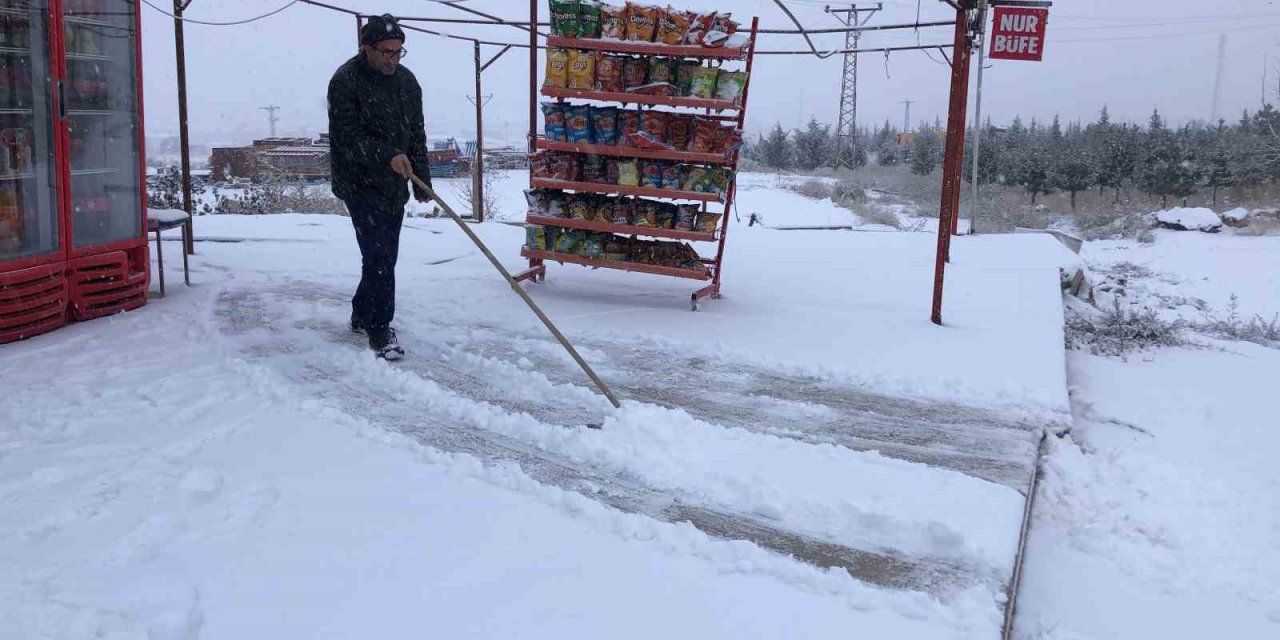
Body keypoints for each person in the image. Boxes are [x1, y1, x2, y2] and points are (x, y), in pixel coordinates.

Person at [327, 13, 431, 360]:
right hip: (358, 182)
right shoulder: (345, 82)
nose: (392, 59)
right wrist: (387, 154)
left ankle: (361, 310)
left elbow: (415, 130)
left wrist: (423, 182)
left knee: (384, 254)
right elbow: (349, 139)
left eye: (398, 52)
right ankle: (380, 329)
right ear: (366, 48)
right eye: (386, 52)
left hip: (393, 181)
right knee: (380, 255)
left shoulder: (407, 82)